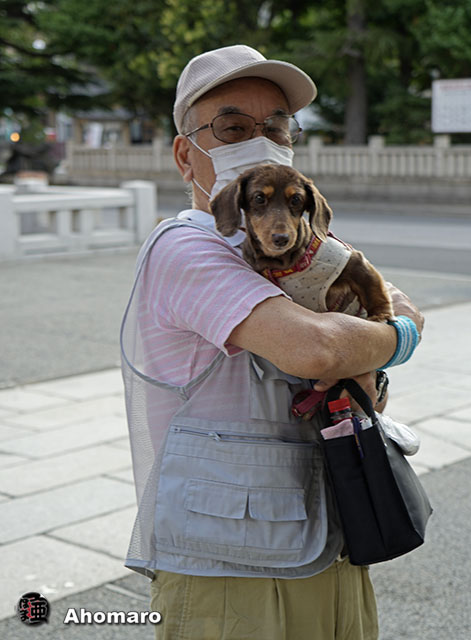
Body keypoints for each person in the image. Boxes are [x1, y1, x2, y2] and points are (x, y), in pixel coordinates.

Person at [120, 44, 424, 640]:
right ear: (185, 156)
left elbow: (393, 310)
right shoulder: (185, 247)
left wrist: (383, 342)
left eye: (278, 128)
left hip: (332, 534)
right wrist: (398, 337)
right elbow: (318, 349)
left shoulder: (303, 246)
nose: (261, 142)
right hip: (228, 560)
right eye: (234, 128)